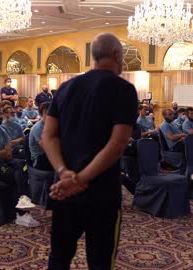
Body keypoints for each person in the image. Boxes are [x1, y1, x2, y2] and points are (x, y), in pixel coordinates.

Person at [42, 33, 138, 270]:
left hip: (63, 190)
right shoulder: (124, 89)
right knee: (100, 262)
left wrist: (65, 174)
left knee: (59, 257)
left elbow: (48, 136)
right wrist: (80, 180)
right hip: (101, 193)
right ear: (117, 55)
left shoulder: (65, 88)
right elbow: (117, 145)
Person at [29, 102, 53, 171]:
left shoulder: (49, 125)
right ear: (45, 112)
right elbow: (48, 148)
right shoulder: (38, 128)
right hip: (39, 160)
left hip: (47, 156)